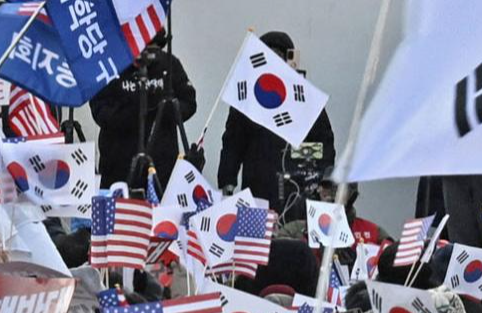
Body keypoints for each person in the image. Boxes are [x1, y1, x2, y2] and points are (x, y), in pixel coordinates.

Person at [217, 29, 336, 212]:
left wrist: (292, 155)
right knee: (256, 240)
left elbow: (323, 147)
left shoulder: (305, 100)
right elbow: (232, 144)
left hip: (297, 193)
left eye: (279, 57)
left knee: (295, 236)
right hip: (257, 191)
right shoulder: (247, 100)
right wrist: (227, 183)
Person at [91, 36, 197, 190]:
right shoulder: (110, 65)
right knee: (121, 212)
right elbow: (100, 110)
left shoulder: (169, 64)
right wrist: (136, 108)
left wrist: (163, 108)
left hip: (162, 164)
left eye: (152, 49)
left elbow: (189, 103)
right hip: (118, 164)